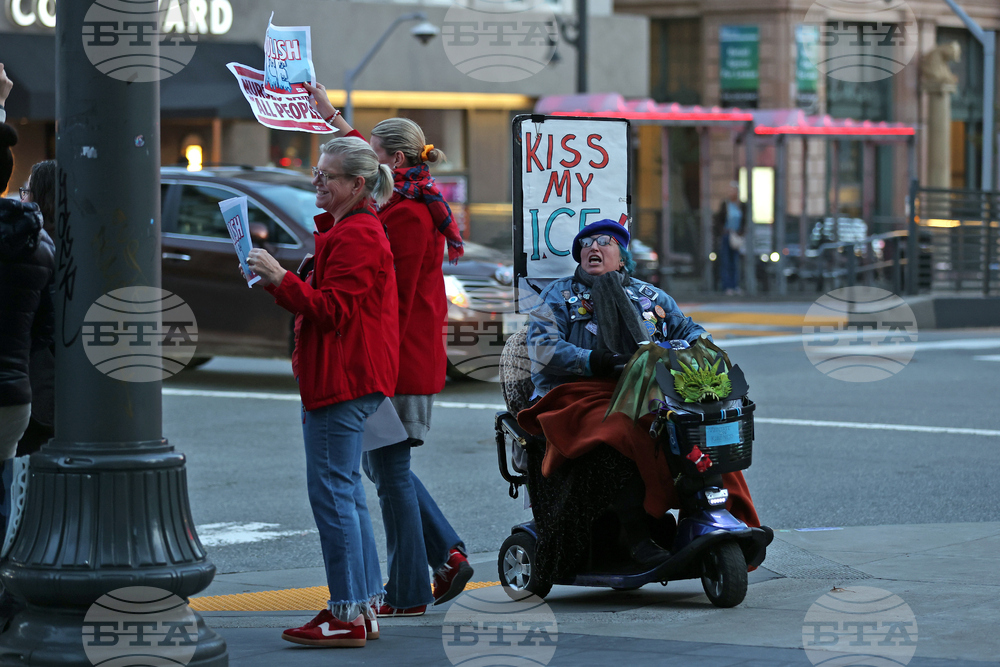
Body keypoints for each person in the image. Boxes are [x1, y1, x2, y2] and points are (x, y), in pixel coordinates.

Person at [301, 87, 474, 617]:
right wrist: (331, 114)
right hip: (398, 356)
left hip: (399, 359)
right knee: (384, 469)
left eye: (374, 156)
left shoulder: (406, 215)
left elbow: (387, 300)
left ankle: (419, 580)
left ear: (394, 162)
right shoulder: (413, 196)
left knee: (388, 472)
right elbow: (360, 161)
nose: (366, 167)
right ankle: (435, 563)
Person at [516, 219, 760, 580]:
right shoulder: (558, 294)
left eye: (604, 241)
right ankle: (636, 537)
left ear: (622, 257)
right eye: (585, 243)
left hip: (646, 390)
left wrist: (703, 348)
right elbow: (542, 347)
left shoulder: (651, 296)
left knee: (701, 429)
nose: (592, 247)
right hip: (575, 393)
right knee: (620, 429)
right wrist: (596, 360)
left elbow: (689, 328)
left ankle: (727, 518)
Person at [245, 137, 398, 648]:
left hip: (342, 377)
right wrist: (287, 280)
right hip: (350, 375)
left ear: (357, 185)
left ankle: (347, 612)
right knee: (347, 493)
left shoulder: (358, 234)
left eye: (327, 175)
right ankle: (361, 606)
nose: (317, 181)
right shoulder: (353, 229)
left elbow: (332, 311)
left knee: (334, 495)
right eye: (317, 171)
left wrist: (280, 278)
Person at [16, 160, 56, 456]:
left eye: (27, 191)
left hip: (34, 386)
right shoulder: (82, 246)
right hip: (53, 390)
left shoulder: (32, 249)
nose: (22, 199)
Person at [714, 181, 747, 295]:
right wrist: (722, 231)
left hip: (737, 236)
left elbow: (744, 220)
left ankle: (735, 285)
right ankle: (727, 286)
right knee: (726, 261)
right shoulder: (725, 204)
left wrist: (741, 232)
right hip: (727, 235)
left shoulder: (741, 205)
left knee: (735, 261)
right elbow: (719, 219)